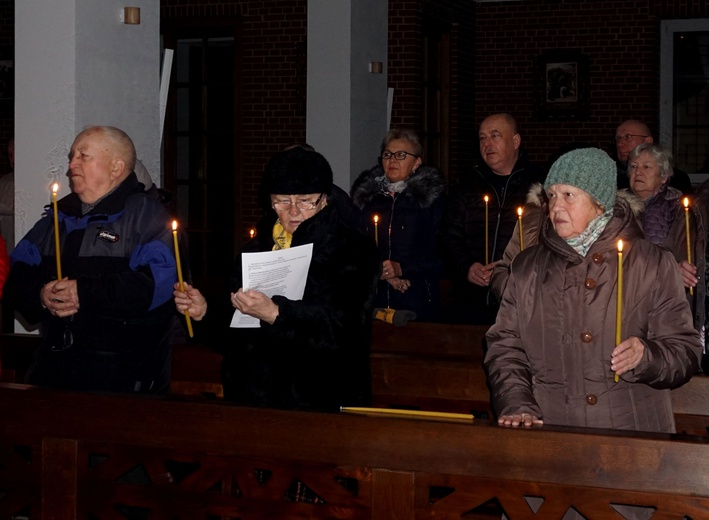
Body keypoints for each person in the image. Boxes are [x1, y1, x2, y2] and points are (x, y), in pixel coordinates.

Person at [485, 147, 702, 433]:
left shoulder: (652, 263)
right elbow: (505, 346)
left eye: (569, 196)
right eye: (552, 195)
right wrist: (517, 403)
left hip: (631, 432)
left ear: (599, 202)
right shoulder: (528, 267)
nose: (555, 207)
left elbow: (685, 351)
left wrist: (647, 356)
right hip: (550, 428)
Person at [174, 147, 380, 411]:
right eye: (282, 201)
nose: (293, 212)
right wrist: (205, 312)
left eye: (305, 201)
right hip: (253, 398)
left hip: (318, 398)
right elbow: (236, 335)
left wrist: (277, 313)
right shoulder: (256, 248)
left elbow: (344, 331)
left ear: (324, 199)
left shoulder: (352, 250)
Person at [3, 126, 178, 393]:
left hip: (123, 379)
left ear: (116, 168)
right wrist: (41, 294)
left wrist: (83, 292)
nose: (71, 164)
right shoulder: (56, 219)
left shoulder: (149, 218)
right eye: (72, 156)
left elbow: (156, 288)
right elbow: (16, 275)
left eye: (84, 156)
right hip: (54, 370)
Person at [441, 113, 545, 324]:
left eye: (495, 136)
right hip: (470, 298)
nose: (487, 143)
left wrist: (510, 270)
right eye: (482, 138)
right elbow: (449, 233)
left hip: (518, 298)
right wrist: (467, 266)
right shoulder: (468, 182)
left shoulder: (539, 184)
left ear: (515, 141)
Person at [350, 128, 446, 322]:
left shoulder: (430, 202)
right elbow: (355, 248)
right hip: (372, 300)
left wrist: (401, 269)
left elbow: (441, 257)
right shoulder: (367, 201)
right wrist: (382, 271)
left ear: (416, 162)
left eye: (401, 155)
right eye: (387, 154)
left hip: (416, 300)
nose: (392, 160)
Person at [626, 142, 705, 333]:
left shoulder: (682, 210)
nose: (638, 172)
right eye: (634, 166)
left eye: (646, 166)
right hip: (628, 300)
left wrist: (681, 269)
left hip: (668, 303)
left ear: (664, 176)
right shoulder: (617, 208)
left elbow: (691, 254)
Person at [614, 119, 693, 194]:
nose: (620, 144)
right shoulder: (610, 177)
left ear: (648, 141)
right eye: (618, 139)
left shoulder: (677, 180)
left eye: (628, 137)